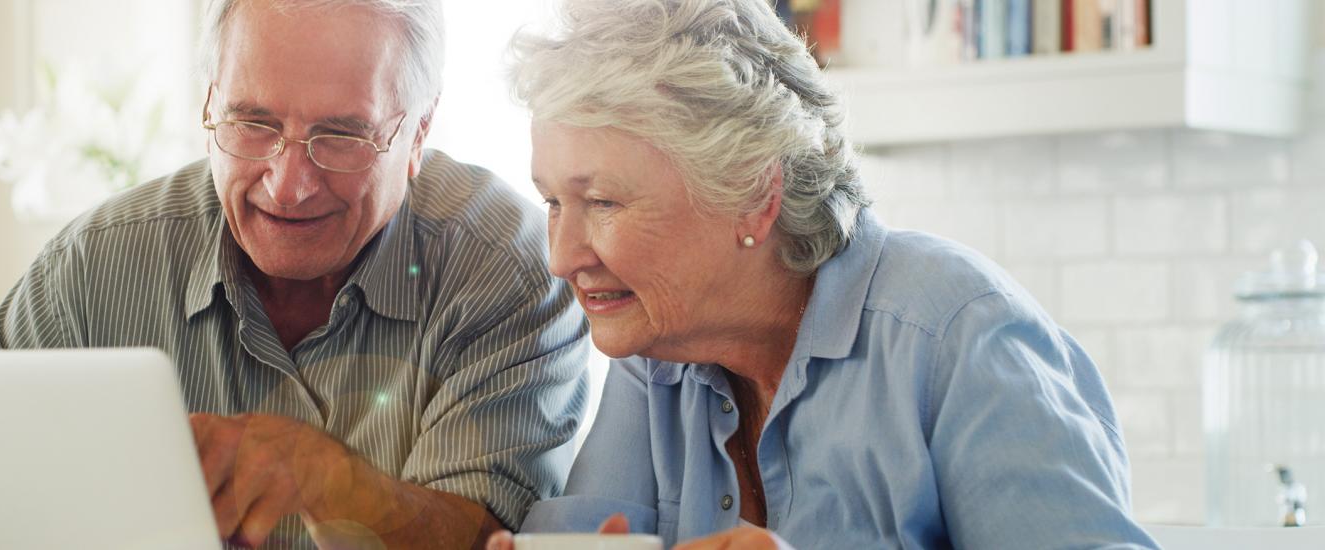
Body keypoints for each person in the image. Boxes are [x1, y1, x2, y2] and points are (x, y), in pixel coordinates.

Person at [0, 1, 590, 548]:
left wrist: (337, 486)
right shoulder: (96, 267)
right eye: (252, 124)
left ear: (418, 132)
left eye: (340, 135)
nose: (287, 183)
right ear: (209, 105)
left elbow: (483, 537)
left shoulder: (511, 268)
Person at [486, 0, 1159, 548]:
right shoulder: (656, 353)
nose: (562, 256)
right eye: (552, 202)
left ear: (753, 192)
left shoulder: (956, 332)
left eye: (602, 202)